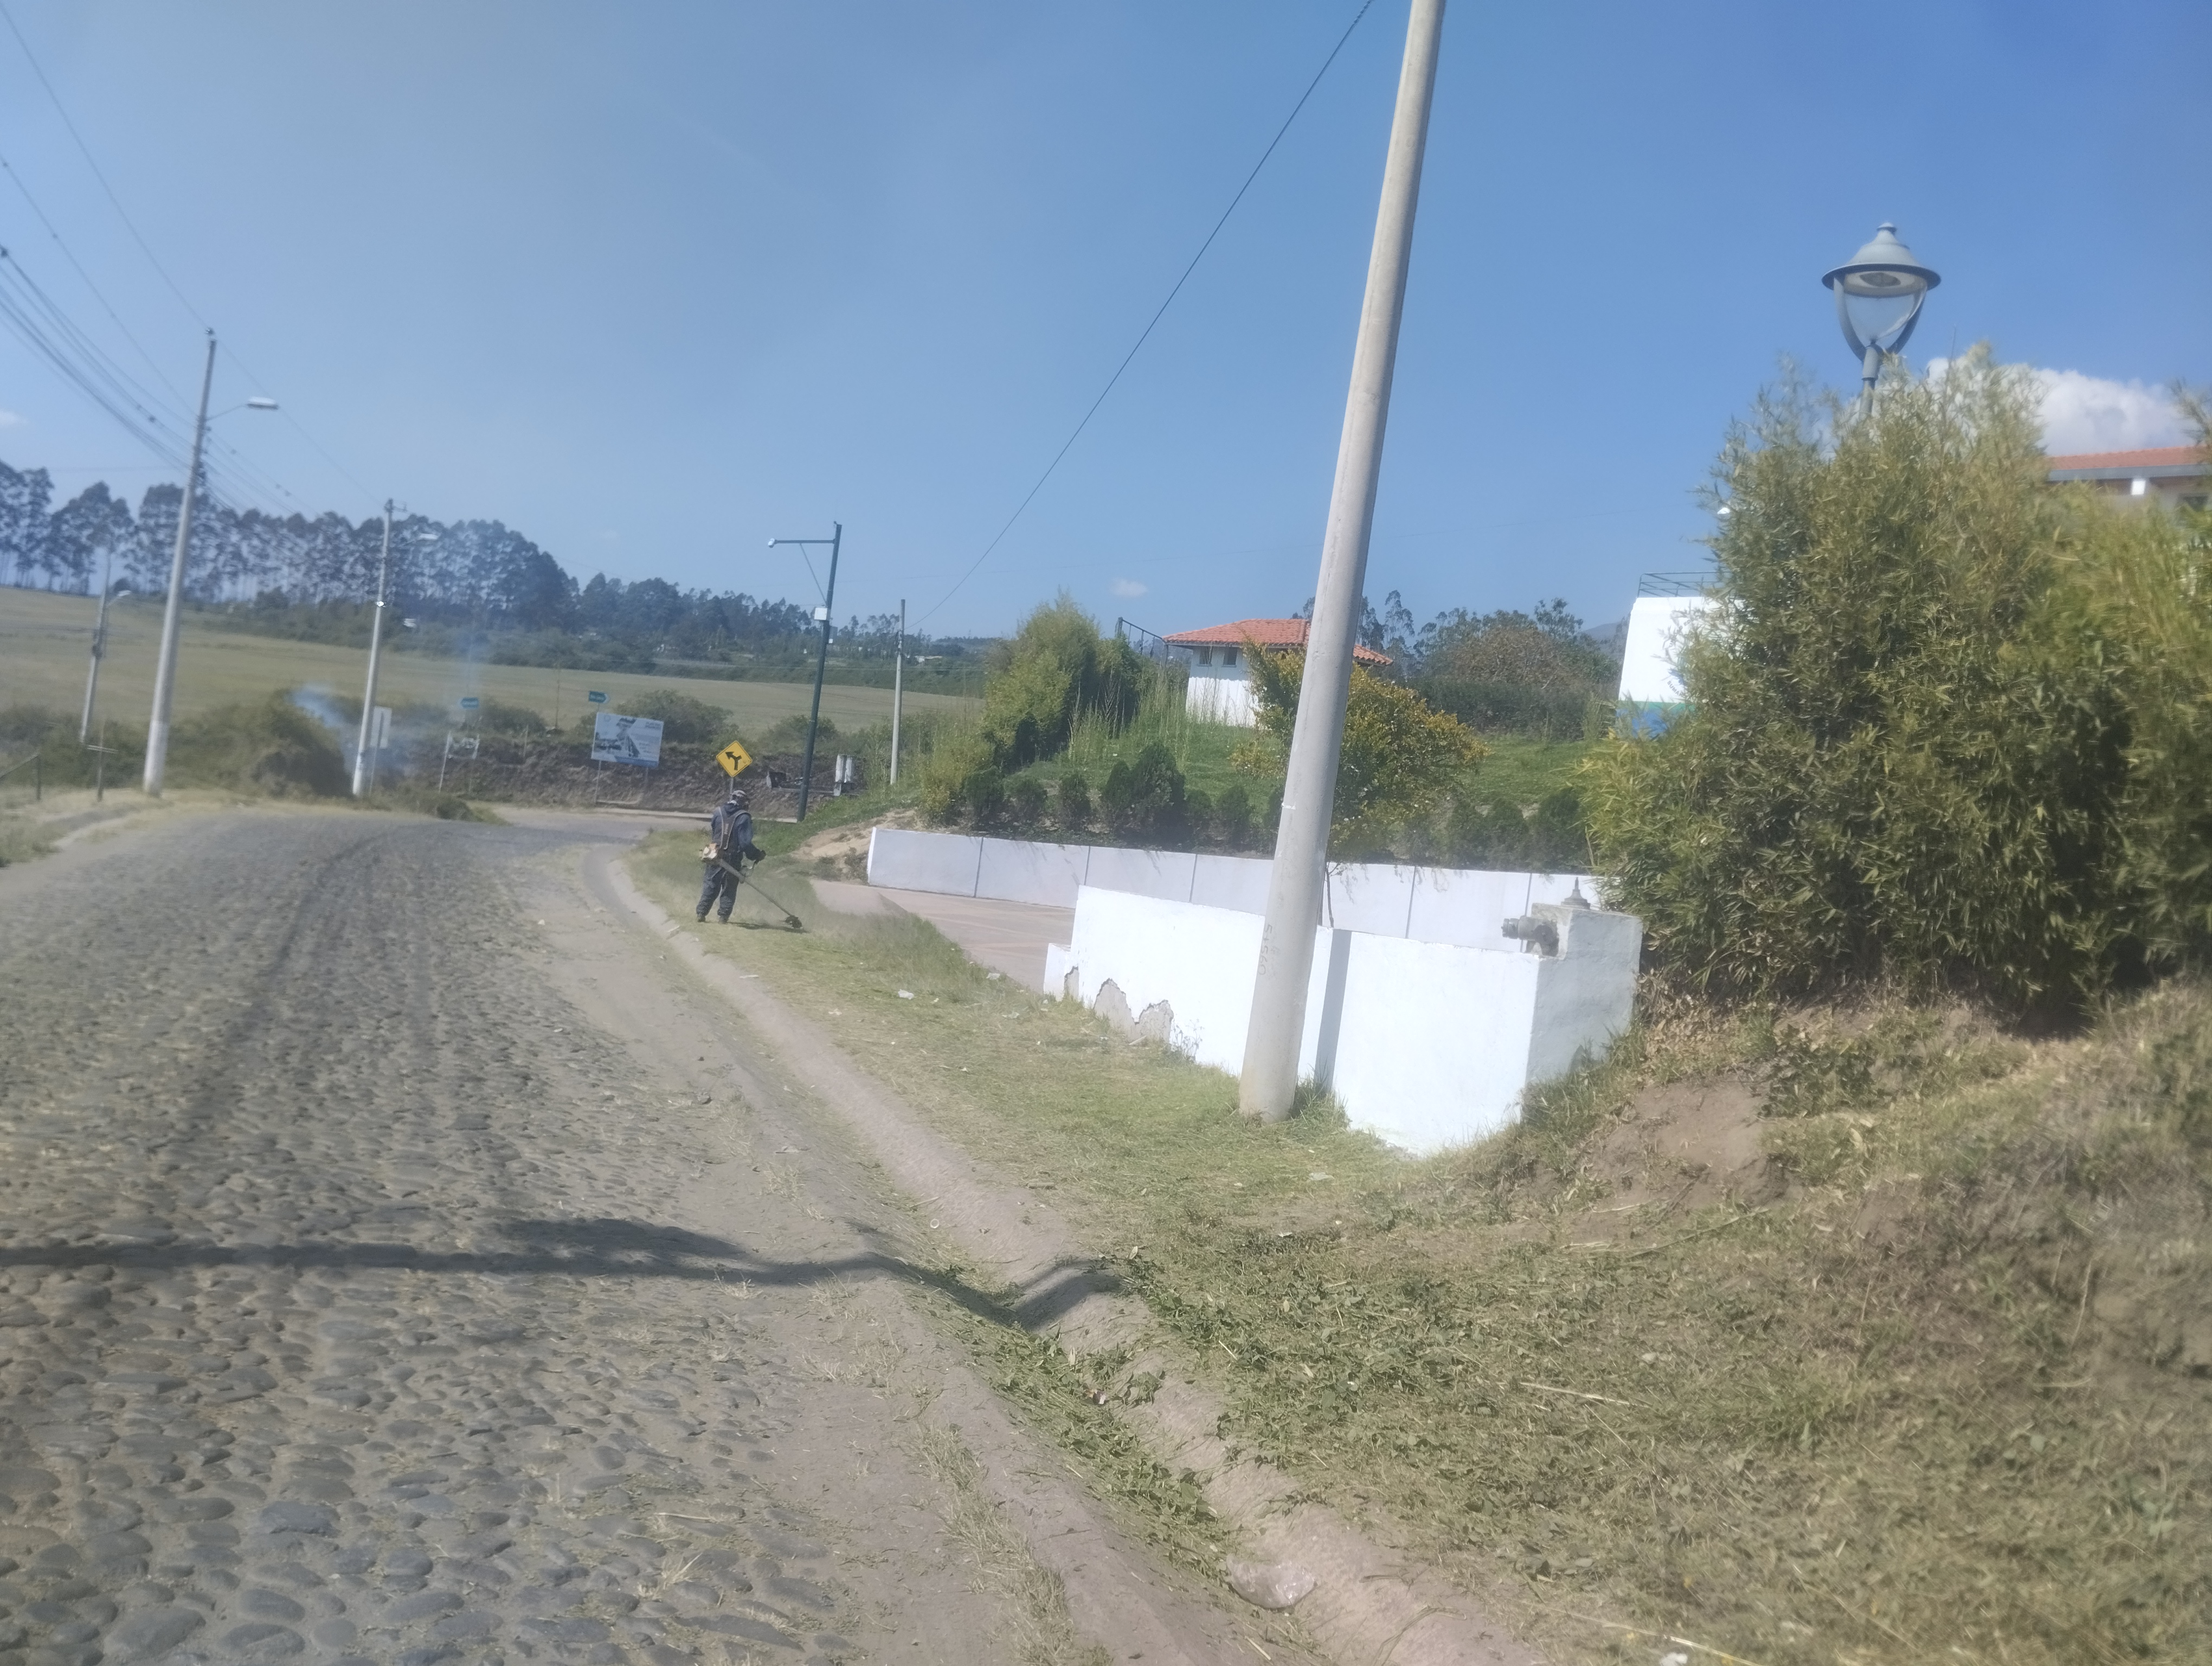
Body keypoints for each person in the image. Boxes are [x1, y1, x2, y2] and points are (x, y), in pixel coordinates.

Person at [697, 789, 766, 923]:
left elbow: (715, 833)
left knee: (711, 885)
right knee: (729, 887)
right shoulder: (744, 817)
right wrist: (756, 855)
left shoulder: (718, 812)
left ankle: (701, 913)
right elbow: (745, 843)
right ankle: (723, 917)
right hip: (732, 857)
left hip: (714, 854)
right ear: (744, 802)